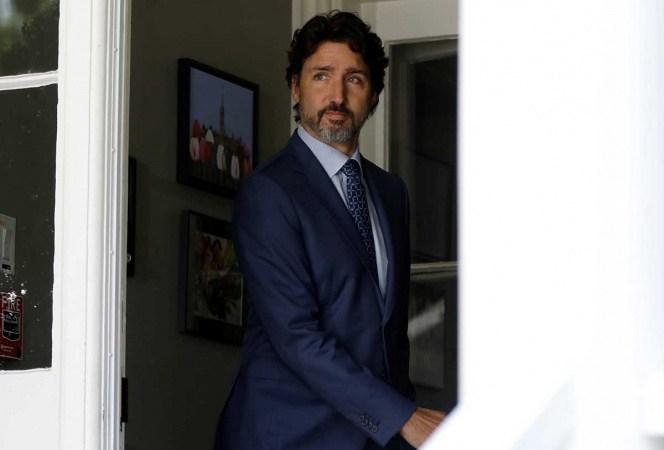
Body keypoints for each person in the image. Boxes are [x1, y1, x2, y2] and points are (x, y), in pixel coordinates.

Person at [213, 10, 444, 450]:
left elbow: (390, 339)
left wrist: (400, 428)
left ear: (373, 95)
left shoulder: (391, 194)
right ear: (295, 87)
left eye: (354, 79)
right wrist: (402, 417)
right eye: (321, 76)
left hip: (375, 437)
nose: (336, 96)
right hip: (287, 437)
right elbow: (296, 336)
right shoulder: (269, 192)